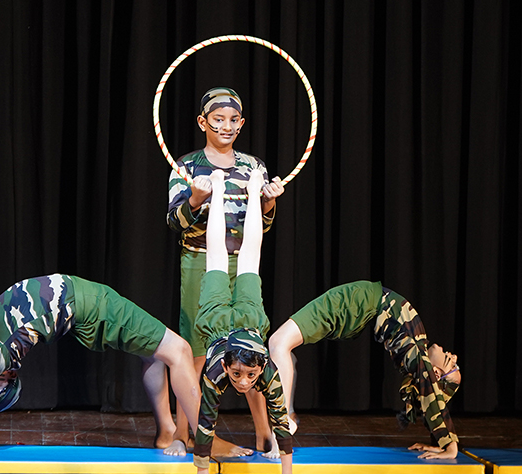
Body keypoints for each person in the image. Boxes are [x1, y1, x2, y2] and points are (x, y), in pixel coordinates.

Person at [0, 274, 200, 460]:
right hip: (91, 306)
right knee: (180, 350)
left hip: (84, 303)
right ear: (9, 377)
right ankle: (204, 440)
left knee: (155, 354)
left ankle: (168, 433)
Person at [166, 87, 284, 456]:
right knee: (195, 349)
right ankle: (184, 433)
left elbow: (264, 225)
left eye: (233, 120)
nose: (226, 126)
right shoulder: (186, 166)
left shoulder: (253, 167)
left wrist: (268, 203)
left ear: (242, 123)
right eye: (218, 119)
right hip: (199, 261)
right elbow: (174, 221)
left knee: (250, 346)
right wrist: (196, 198)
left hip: (242, 261)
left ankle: (265, 433)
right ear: (203, 122)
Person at [268, 281, 462, 459]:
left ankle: (283, 425)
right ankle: (287, 416)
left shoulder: (417, 356)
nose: (454, 357)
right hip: (359, 302)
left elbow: (430, 392)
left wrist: (450, 447)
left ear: (436, 373)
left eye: (451, 364)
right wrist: (439, 443)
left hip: (357, 302)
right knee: (282, 348)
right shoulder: (418, 345)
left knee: (278, 343)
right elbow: (429, 396)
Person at [193, 169, 293, 474]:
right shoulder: (217, 372)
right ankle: (245, 191)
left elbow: (282, 422)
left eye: (249, 375)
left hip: (217, 318)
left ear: (260, 367)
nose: (244, 382)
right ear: (225, 367)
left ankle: (221, 190)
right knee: (250, 256)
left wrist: (287, 472)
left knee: (217, 257)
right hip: (248, 320)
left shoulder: (264, 371)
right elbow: (206, 424)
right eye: (237, 374)